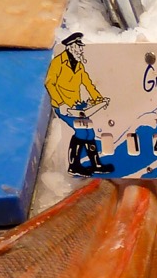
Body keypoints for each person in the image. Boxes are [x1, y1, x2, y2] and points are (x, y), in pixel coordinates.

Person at [45, 32, 112, 174]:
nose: (81, 49)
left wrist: (99, 99)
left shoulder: (79, 66)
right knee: (82, 132)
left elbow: (88, 84)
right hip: (62, 106)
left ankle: (95, 165)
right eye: (78, 47)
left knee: (89, 132)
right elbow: (50, 83)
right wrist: (61, 103)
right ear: (70, 47)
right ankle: (74, 165)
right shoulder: (58, 62)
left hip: (76, 106)